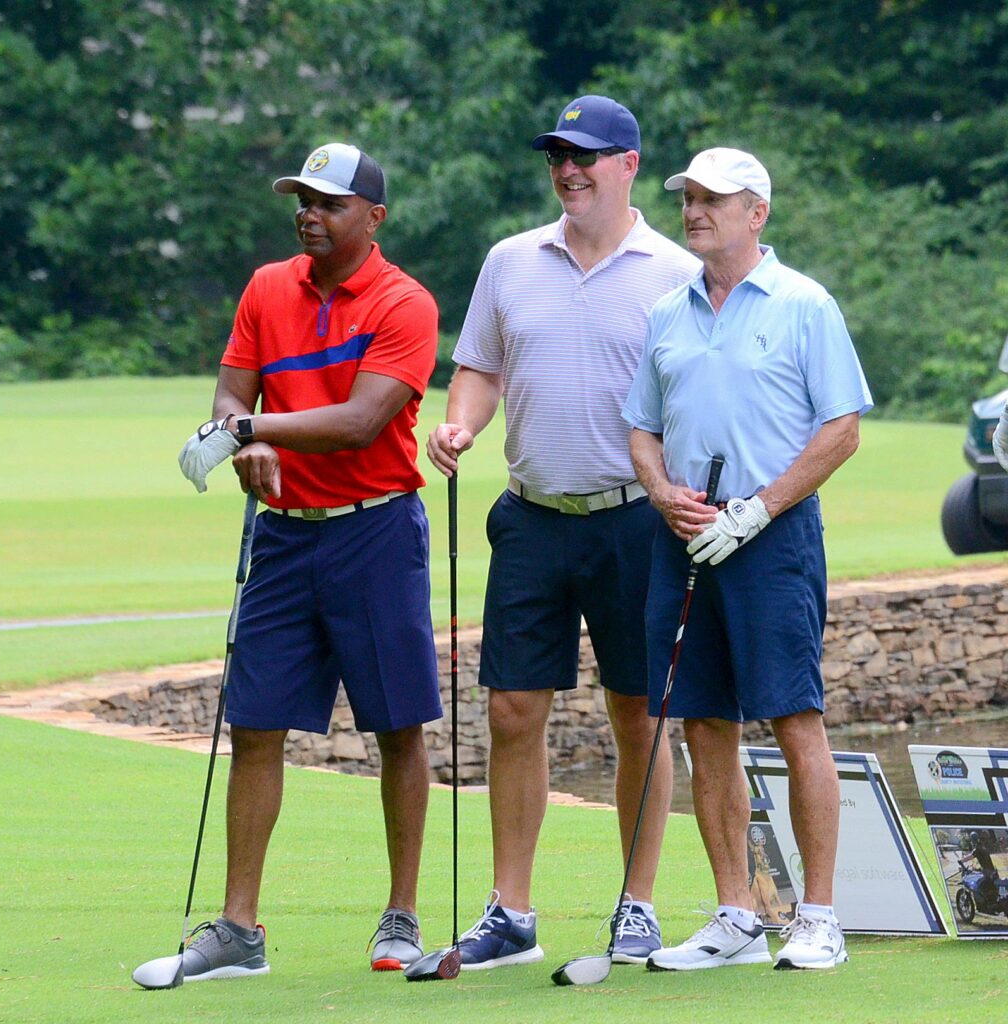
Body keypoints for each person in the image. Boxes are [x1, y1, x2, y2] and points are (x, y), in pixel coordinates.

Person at [426, 95, 700, 969]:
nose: (568, 169)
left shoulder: (675, 269)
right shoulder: (511, 260)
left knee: (638, 713)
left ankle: (639, 902)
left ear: (627, 164)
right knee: (512, 710)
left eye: (586, 155)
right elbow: (478, 368)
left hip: (633, 522)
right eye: (557, 156)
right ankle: (510, 910)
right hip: (533, 517)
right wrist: (460, 422)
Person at [167, 142, 442, 979]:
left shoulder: (405, 303)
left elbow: (361, 421)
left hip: (376, 530)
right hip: (285, 533)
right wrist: (241, 436)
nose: (309, 215)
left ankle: (400, 918)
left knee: (397, 726)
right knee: (253, 721)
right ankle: (239, 929)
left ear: (373, 218)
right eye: (303, 201)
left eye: (328, 203)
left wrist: (246, 433)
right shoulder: (265, 287)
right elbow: (231, 392)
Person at [625, 147, 872, 972]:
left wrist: (759, 509)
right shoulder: (669, 311)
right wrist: (662, 492)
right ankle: (736, 913)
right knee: (704, 723)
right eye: (689, 198)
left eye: (714, 200)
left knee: (796, 718)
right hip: (684, 537)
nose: (696, 211)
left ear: (756, 212)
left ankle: (820, 916)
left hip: (774, 540)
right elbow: (642, 429)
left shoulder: (805, 304)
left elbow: (840, 430)